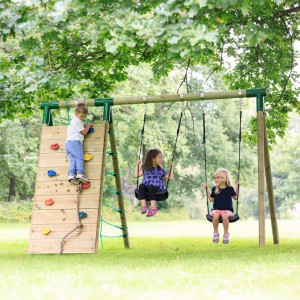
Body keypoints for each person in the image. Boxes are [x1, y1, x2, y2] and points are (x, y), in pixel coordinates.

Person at [134, 149, 174, 217]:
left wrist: (172, 167)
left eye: (162, 157)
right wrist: (137, 165)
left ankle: (153, 208)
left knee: (151, 186)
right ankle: (144, 206)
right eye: (159, 157)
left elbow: (170, 178)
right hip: (146, 188)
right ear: (153, 159)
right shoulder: (145, 168)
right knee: (141, 186)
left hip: (157, 189)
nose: (161, 159)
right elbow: (136, 175)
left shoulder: (161, 170)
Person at [204, 168, 240, 244]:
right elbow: (211, 199)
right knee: (216, 215)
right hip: (216, 210)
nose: (216, 179)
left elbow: (235, 197)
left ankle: (226, 234)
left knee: (224, 215)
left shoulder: (230, 189)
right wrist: (207, 189)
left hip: (227, 211)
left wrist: (237, 188)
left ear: (225, 179)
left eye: (218, 177)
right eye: (215, 177)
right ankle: (216, 233)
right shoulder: (215, 189)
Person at [65, 103, 93, 185]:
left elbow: (79, 128)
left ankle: (71, 175)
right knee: (80, 158)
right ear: (75, 113)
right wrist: (88, 126)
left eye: (85, 116)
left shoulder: (74, 121)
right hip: (75, 142)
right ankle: (80, 174)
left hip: (68, 143)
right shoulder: (77, 122)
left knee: (73, 160)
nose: (83, 118)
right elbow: (84, 132)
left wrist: (84, 125)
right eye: (82, 116)